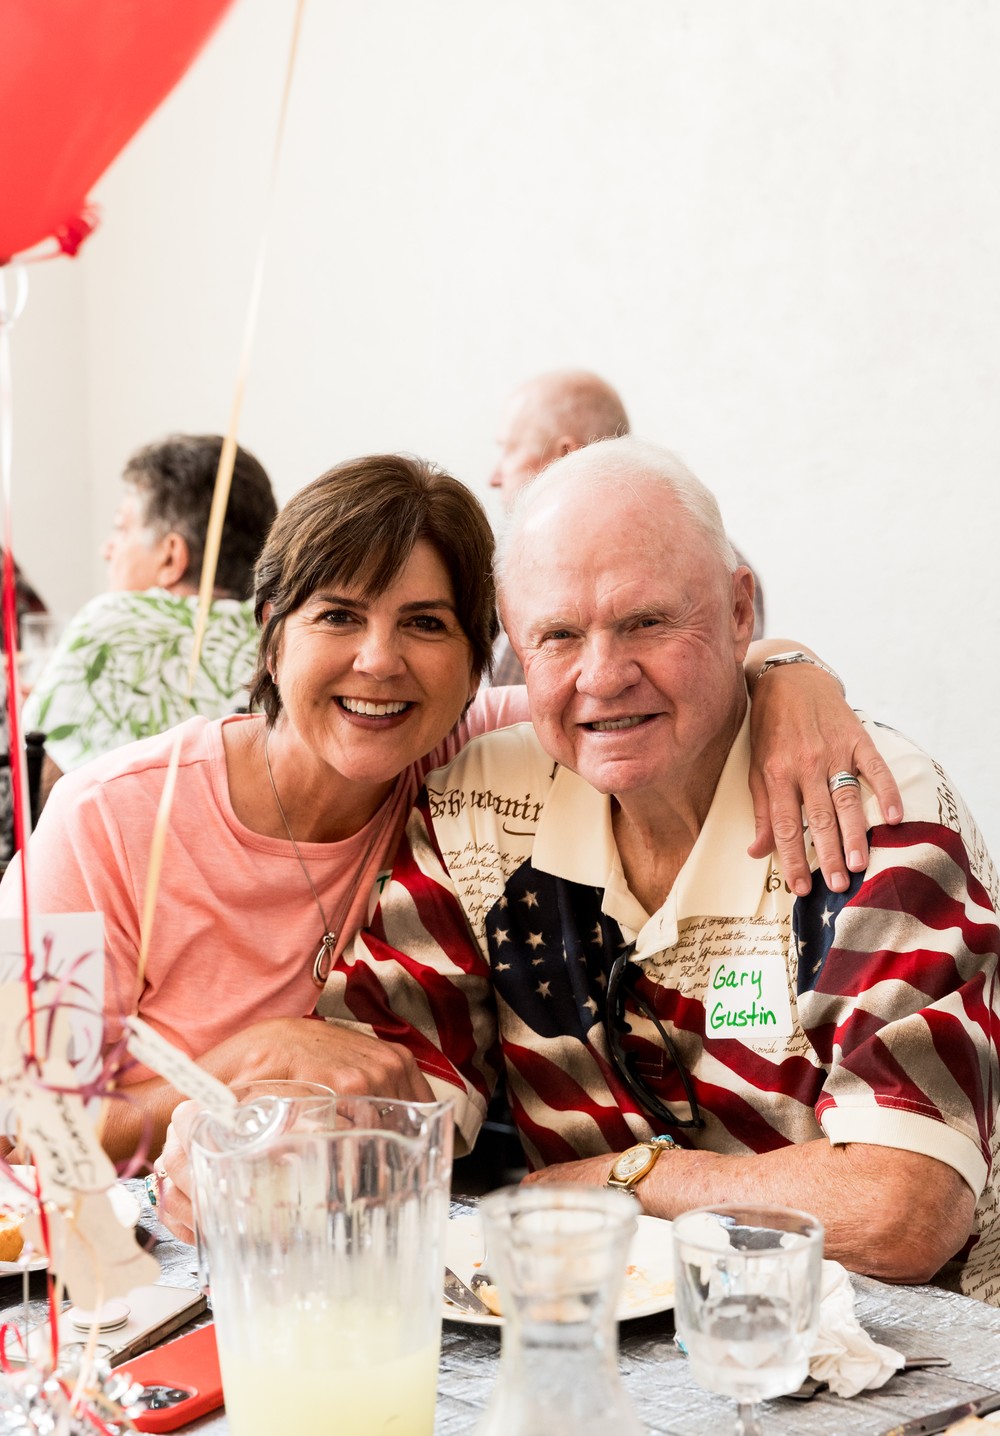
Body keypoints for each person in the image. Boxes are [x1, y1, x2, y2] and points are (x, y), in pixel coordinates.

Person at [4, 453, 891, 1178]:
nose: (379, 661)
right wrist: (244, 1064)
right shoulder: (108, 824)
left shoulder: (467, 753)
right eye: (338, 615)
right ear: (271, 635)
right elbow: (28, 1125)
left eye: (426, 624)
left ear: (477, 663)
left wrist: (789, 674)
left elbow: (650, 691)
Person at [320, 441, 1000, 1303]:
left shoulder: (861, 808)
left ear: (740, 611)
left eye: (645, 622)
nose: (603, 676)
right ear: (515, 648)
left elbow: (901, 1211)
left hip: (916, 1345)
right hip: (603, 1334)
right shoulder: (477, 807)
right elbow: (385, 1099)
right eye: (558, 635)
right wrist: (269, 1141)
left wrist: (626, 1180)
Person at [22, 435, 277, 798]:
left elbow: (41, 795)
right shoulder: (276, 636)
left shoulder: (110, 621)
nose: (107, 549)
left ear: (171, 557)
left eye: (121, 528)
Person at [488, 370, 764, 683]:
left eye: (647, 623)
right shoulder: (524, 569)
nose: (494, 477)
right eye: (561, 634)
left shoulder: (710, 563)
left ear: (568, 457)